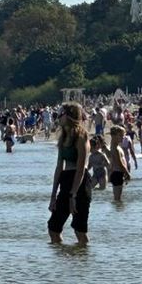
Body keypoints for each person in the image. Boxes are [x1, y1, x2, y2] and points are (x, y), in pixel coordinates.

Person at [48, 103, 91, 245]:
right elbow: (59, 167)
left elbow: (81, 168)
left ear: (70, 116)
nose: (58, 117)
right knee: (53, 227)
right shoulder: (63, 137)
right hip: (65, 180)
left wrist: (73, 195)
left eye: (61, 114)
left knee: (79, 229)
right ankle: (65, 261)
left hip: (80, 182)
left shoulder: (81, 136)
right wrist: (53, 195)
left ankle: (82, 261)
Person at [108, 125, 131, 202]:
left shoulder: (116, 146)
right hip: (117, 173)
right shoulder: (115, 148)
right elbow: (120, 163)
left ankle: (117, 212)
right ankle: (117, 212)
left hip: (118, 173)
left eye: (123, 135)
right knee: (117, 199)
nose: (123, 137)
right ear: (114, 136)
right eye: (120, 135)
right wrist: (127, 173)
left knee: (118, 198)